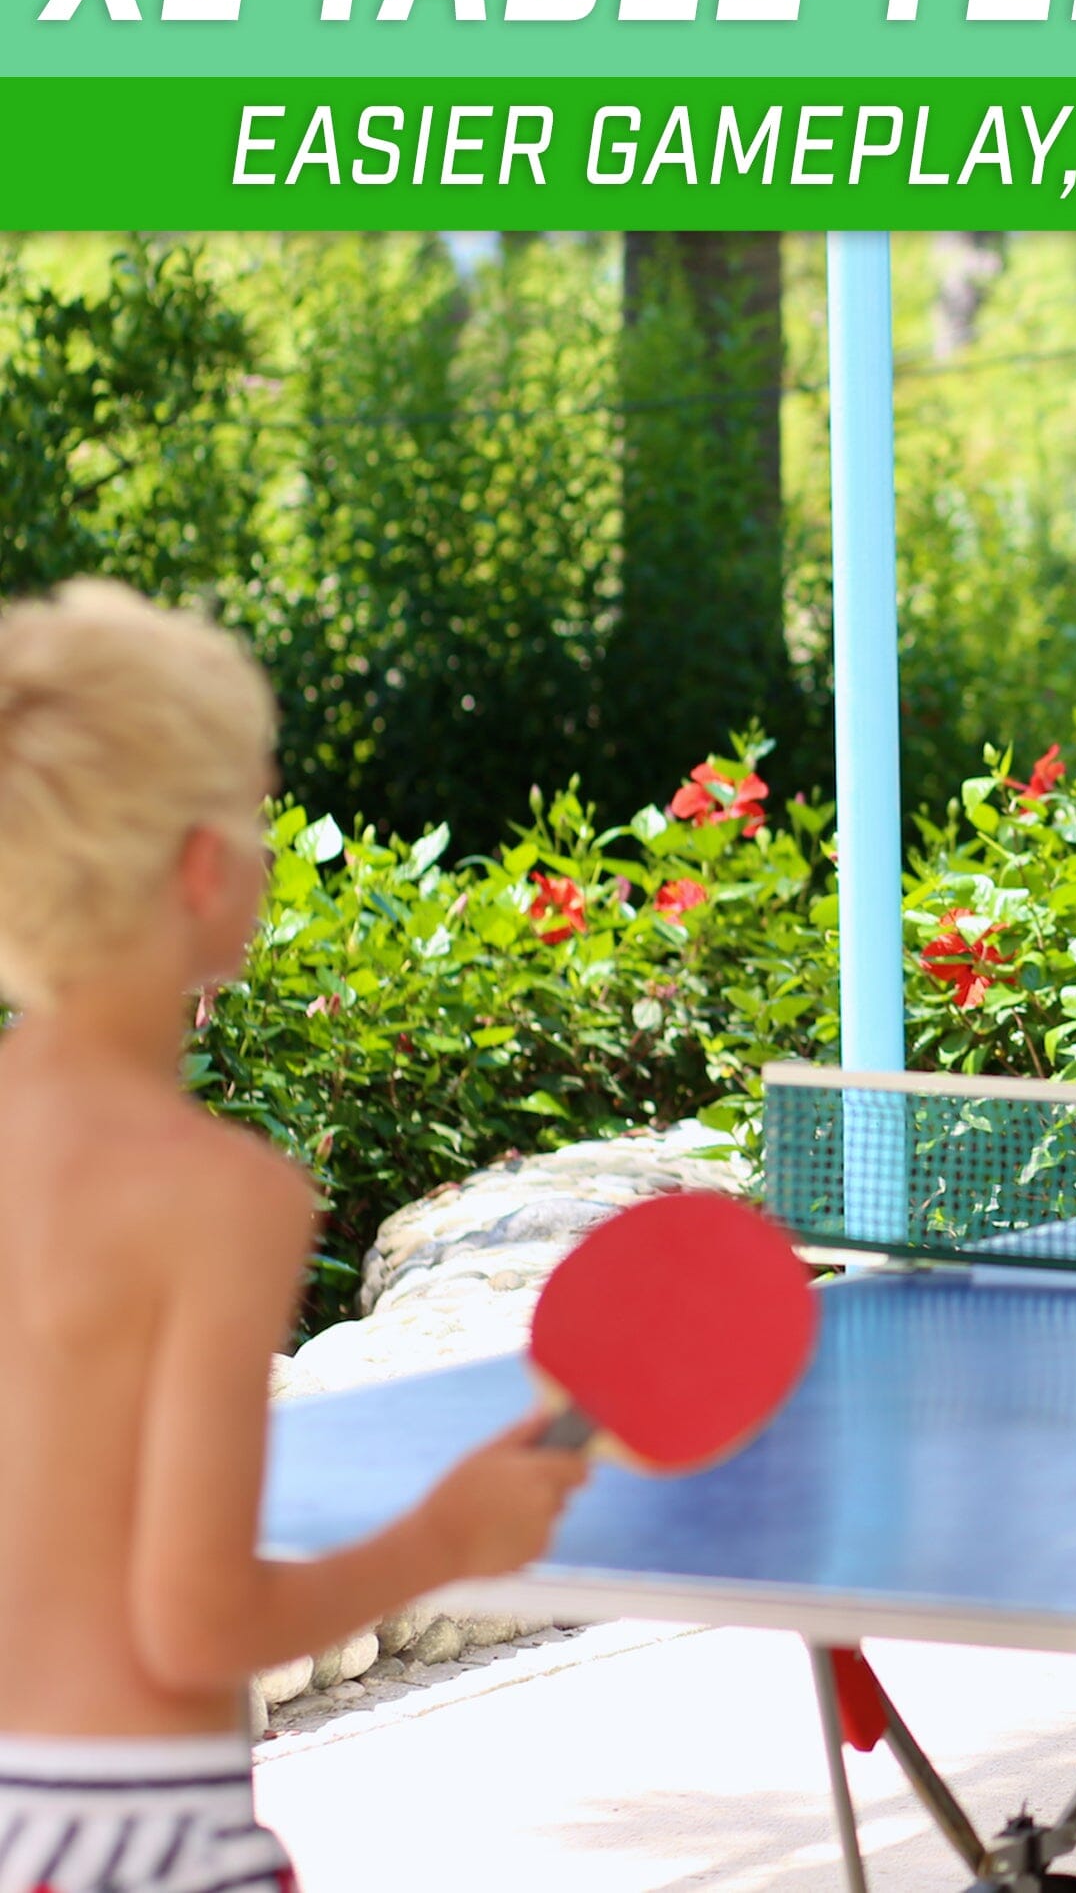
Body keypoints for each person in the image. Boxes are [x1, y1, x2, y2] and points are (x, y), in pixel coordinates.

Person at [0, 580, 588, 1892]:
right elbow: (199, 1617)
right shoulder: (216, 1194)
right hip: (143, 1838)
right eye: (262, 814)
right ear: (205, 868)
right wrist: (449, 1536)